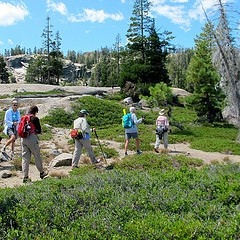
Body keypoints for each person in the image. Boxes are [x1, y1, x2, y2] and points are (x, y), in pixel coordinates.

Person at [21, 106, 48, 183]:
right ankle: (42, 173)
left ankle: (25, 177)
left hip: (23, 138)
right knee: (37, 156)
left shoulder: (23, 117)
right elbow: (39, 130)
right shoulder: (34, 119)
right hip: (31, 138)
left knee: (25, 158)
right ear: (35, 112)